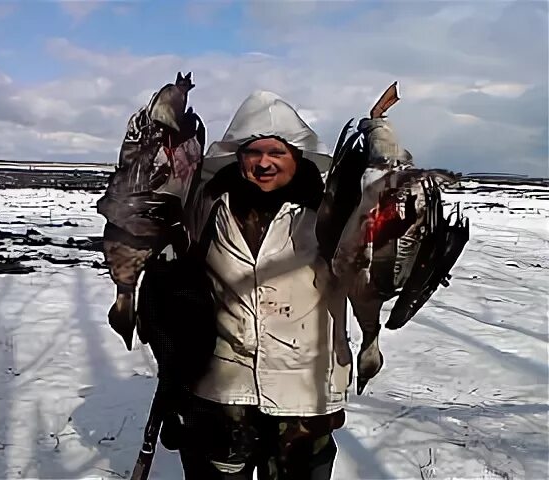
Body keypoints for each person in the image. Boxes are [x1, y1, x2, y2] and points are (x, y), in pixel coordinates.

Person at [97, 73, 411, 479]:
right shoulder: (207, 206)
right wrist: (162, 125)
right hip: (222, 391)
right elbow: (139, 199)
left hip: (306, 394)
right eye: (254, 152)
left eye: (276, 152)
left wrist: (381, 136)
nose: (264, 162)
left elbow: (393, 209)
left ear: (296, 156)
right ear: (237, 156)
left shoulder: (332, 213)